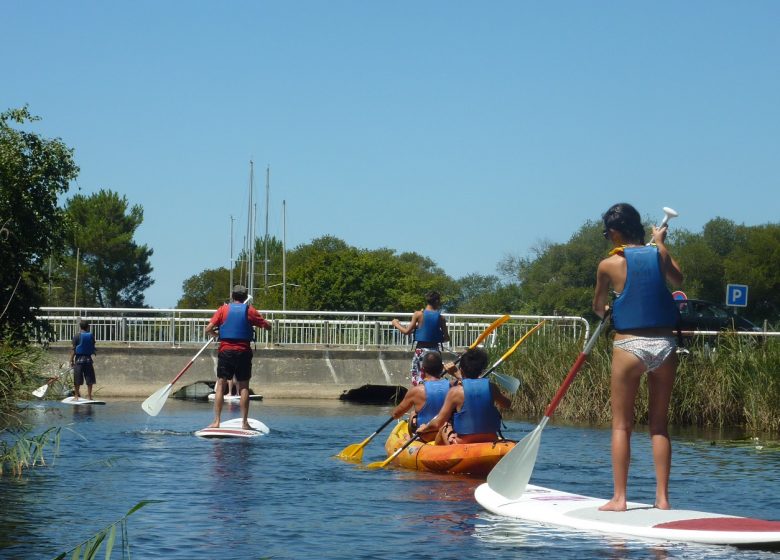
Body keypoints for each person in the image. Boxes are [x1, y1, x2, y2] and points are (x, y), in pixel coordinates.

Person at [593, 202, 683, 512]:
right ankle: (662, 499)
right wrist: (660, 242)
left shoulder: (608, 265)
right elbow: (678, 280)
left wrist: (607, 312)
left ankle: (619, 499)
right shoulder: (658, 254)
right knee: (659, 426)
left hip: (629, 345)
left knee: (621, 426)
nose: (607, 237)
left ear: (616, 232)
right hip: (665, 345)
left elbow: (598, 306)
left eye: (607, 232)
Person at [204, 285, 271, 429]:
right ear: (245, 296)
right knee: (244, 387)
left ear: (232, 296)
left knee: (221, 385)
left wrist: (218, 336)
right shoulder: (250, 310)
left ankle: (216, 422)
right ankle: (244, 423)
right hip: (243, 352)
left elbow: (208, 329)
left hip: (226, 351)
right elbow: (266, 326)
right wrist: (268, 324)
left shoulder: (223, 310)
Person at [419, 347, 511, 445]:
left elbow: (438, 422)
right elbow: (507, 404)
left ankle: (434, 453)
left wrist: (426, 427)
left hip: (463, 442)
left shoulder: (455, 392)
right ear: (481, 371)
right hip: (491, 439)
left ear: (461, 370)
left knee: (444, 426)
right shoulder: (491, 387)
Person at [391, 290, 450, 386]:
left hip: (421, 351)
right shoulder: (441, 318)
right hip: (435, 352)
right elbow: (447, 338)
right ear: (437, 301)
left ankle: (418, 396)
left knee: (418, 379)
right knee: (434, 378)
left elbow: (406, 332)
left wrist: (395, 323)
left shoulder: (418, 314)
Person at [389, 351, 446, 443]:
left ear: (423, 370)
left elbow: (396, 415)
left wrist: (393, 413)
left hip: (425, 437)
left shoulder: (416, 390)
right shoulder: (453, 387)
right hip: (445, 434)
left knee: (413, 414)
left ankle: (412, 439)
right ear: (442, 368)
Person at [70, 319, 97, 400]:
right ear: (88, 327)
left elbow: (74, 350)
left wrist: (71, 360)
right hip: (88, 360)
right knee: (90, 379)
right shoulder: (91, 336)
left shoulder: (76, 336)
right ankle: (89, 396)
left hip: (78, 360)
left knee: (77, 379)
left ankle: (76, 397)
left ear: (80, 327)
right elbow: (92, 345)